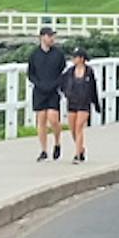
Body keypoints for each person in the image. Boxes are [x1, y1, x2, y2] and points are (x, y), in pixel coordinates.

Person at [26, 27, 71, 160]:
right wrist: (38, 84)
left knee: (53, 119)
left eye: (53, 36)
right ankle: (43, 150)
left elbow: (62, 71)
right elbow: (31, 74)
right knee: (41, 120)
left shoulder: (58, 54)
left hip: (53, 90)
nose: (52, 39)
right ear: (42, 37)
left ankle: (57, 143)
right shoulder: (34, 55)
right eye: (49, 36)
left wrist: (56, 84)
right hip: (39, 90)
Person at [62, 48, 100, 163]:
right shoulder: (69, 71)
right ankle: (81, 148)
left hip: (84, 103)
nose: (73, 59)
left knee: (79, 127)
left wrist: (96, 104)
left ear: (82, 59)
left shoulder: (89, 72)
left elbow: (93, 88)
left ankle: (77, 155)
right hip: (72, 102)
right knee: (72, 129)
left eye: (75, 57)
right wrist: (66, 93)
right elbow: (62, 82)